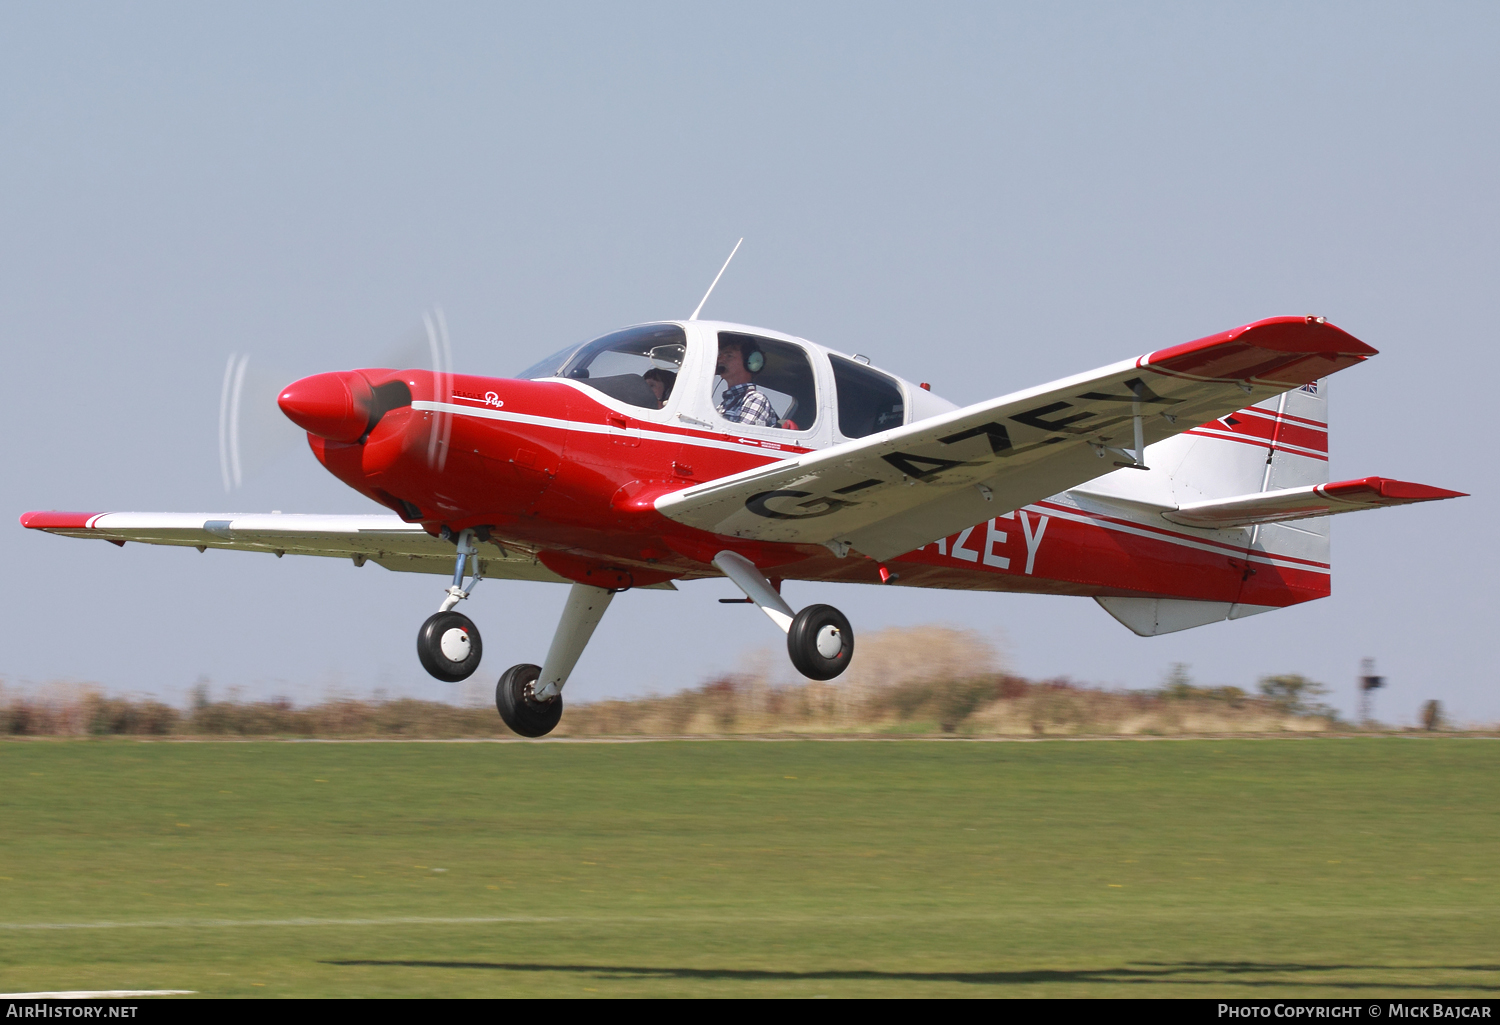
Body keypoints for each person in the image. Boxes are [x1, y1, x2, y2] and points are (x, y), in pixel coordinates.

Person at [715, 337, 778, 427]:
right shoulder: (724, 405)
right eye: (720, 355)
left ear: (750, 362)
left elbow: (740, 437)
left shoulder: (756, 399)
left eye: (729, 356)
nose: (720, 360)